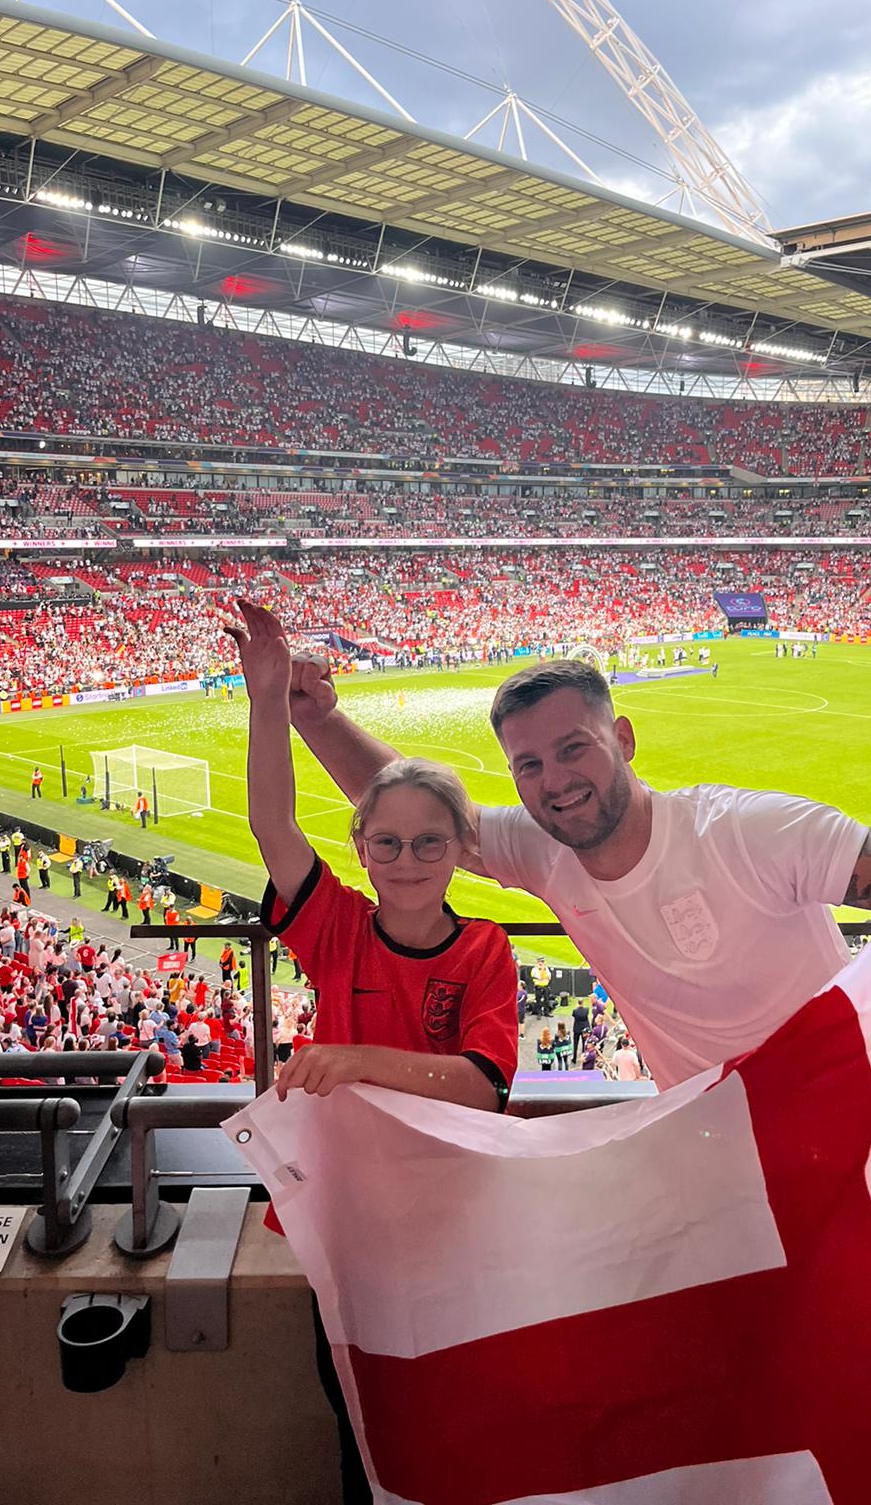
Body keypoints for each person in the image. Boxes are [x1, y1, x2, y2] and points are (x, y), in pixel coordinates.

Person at [286, 649, 871, 1094]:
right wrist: (315, 717)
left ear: (622, 738)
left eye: (573, 748)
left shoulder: (748, 830)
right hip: (706, 1132)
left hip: (848, 1109)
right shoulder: (543, 845)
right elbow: (416, 813)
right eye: (529, 764)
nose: (555, 781)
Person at [225, 597, 518, 1505]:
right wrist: (268, 696)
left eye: (431, 841)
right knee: (355, 1409)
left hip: (447, 1211)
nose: (407, 857)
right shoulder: (338, 928)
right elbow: (274, 825)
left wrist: (353, 1060)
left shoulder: (485, 950)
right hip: (347, 1216)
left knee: (452, 1407)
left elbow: (483, 1087)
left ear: (462, 848)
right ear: (361, 847)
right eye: (386, 842)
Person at [571, 997, 590, 1063]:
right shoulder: (586, 1010)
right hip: (584, 1029)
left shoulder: (575, 1011)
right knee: (584, 1043)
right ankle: (583, 1056)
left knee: (575, 1044)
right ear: (583, 1003)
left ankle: (574, 1058)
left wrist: (577, 1008)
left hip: (576, 1028)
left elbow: (573, 1015)